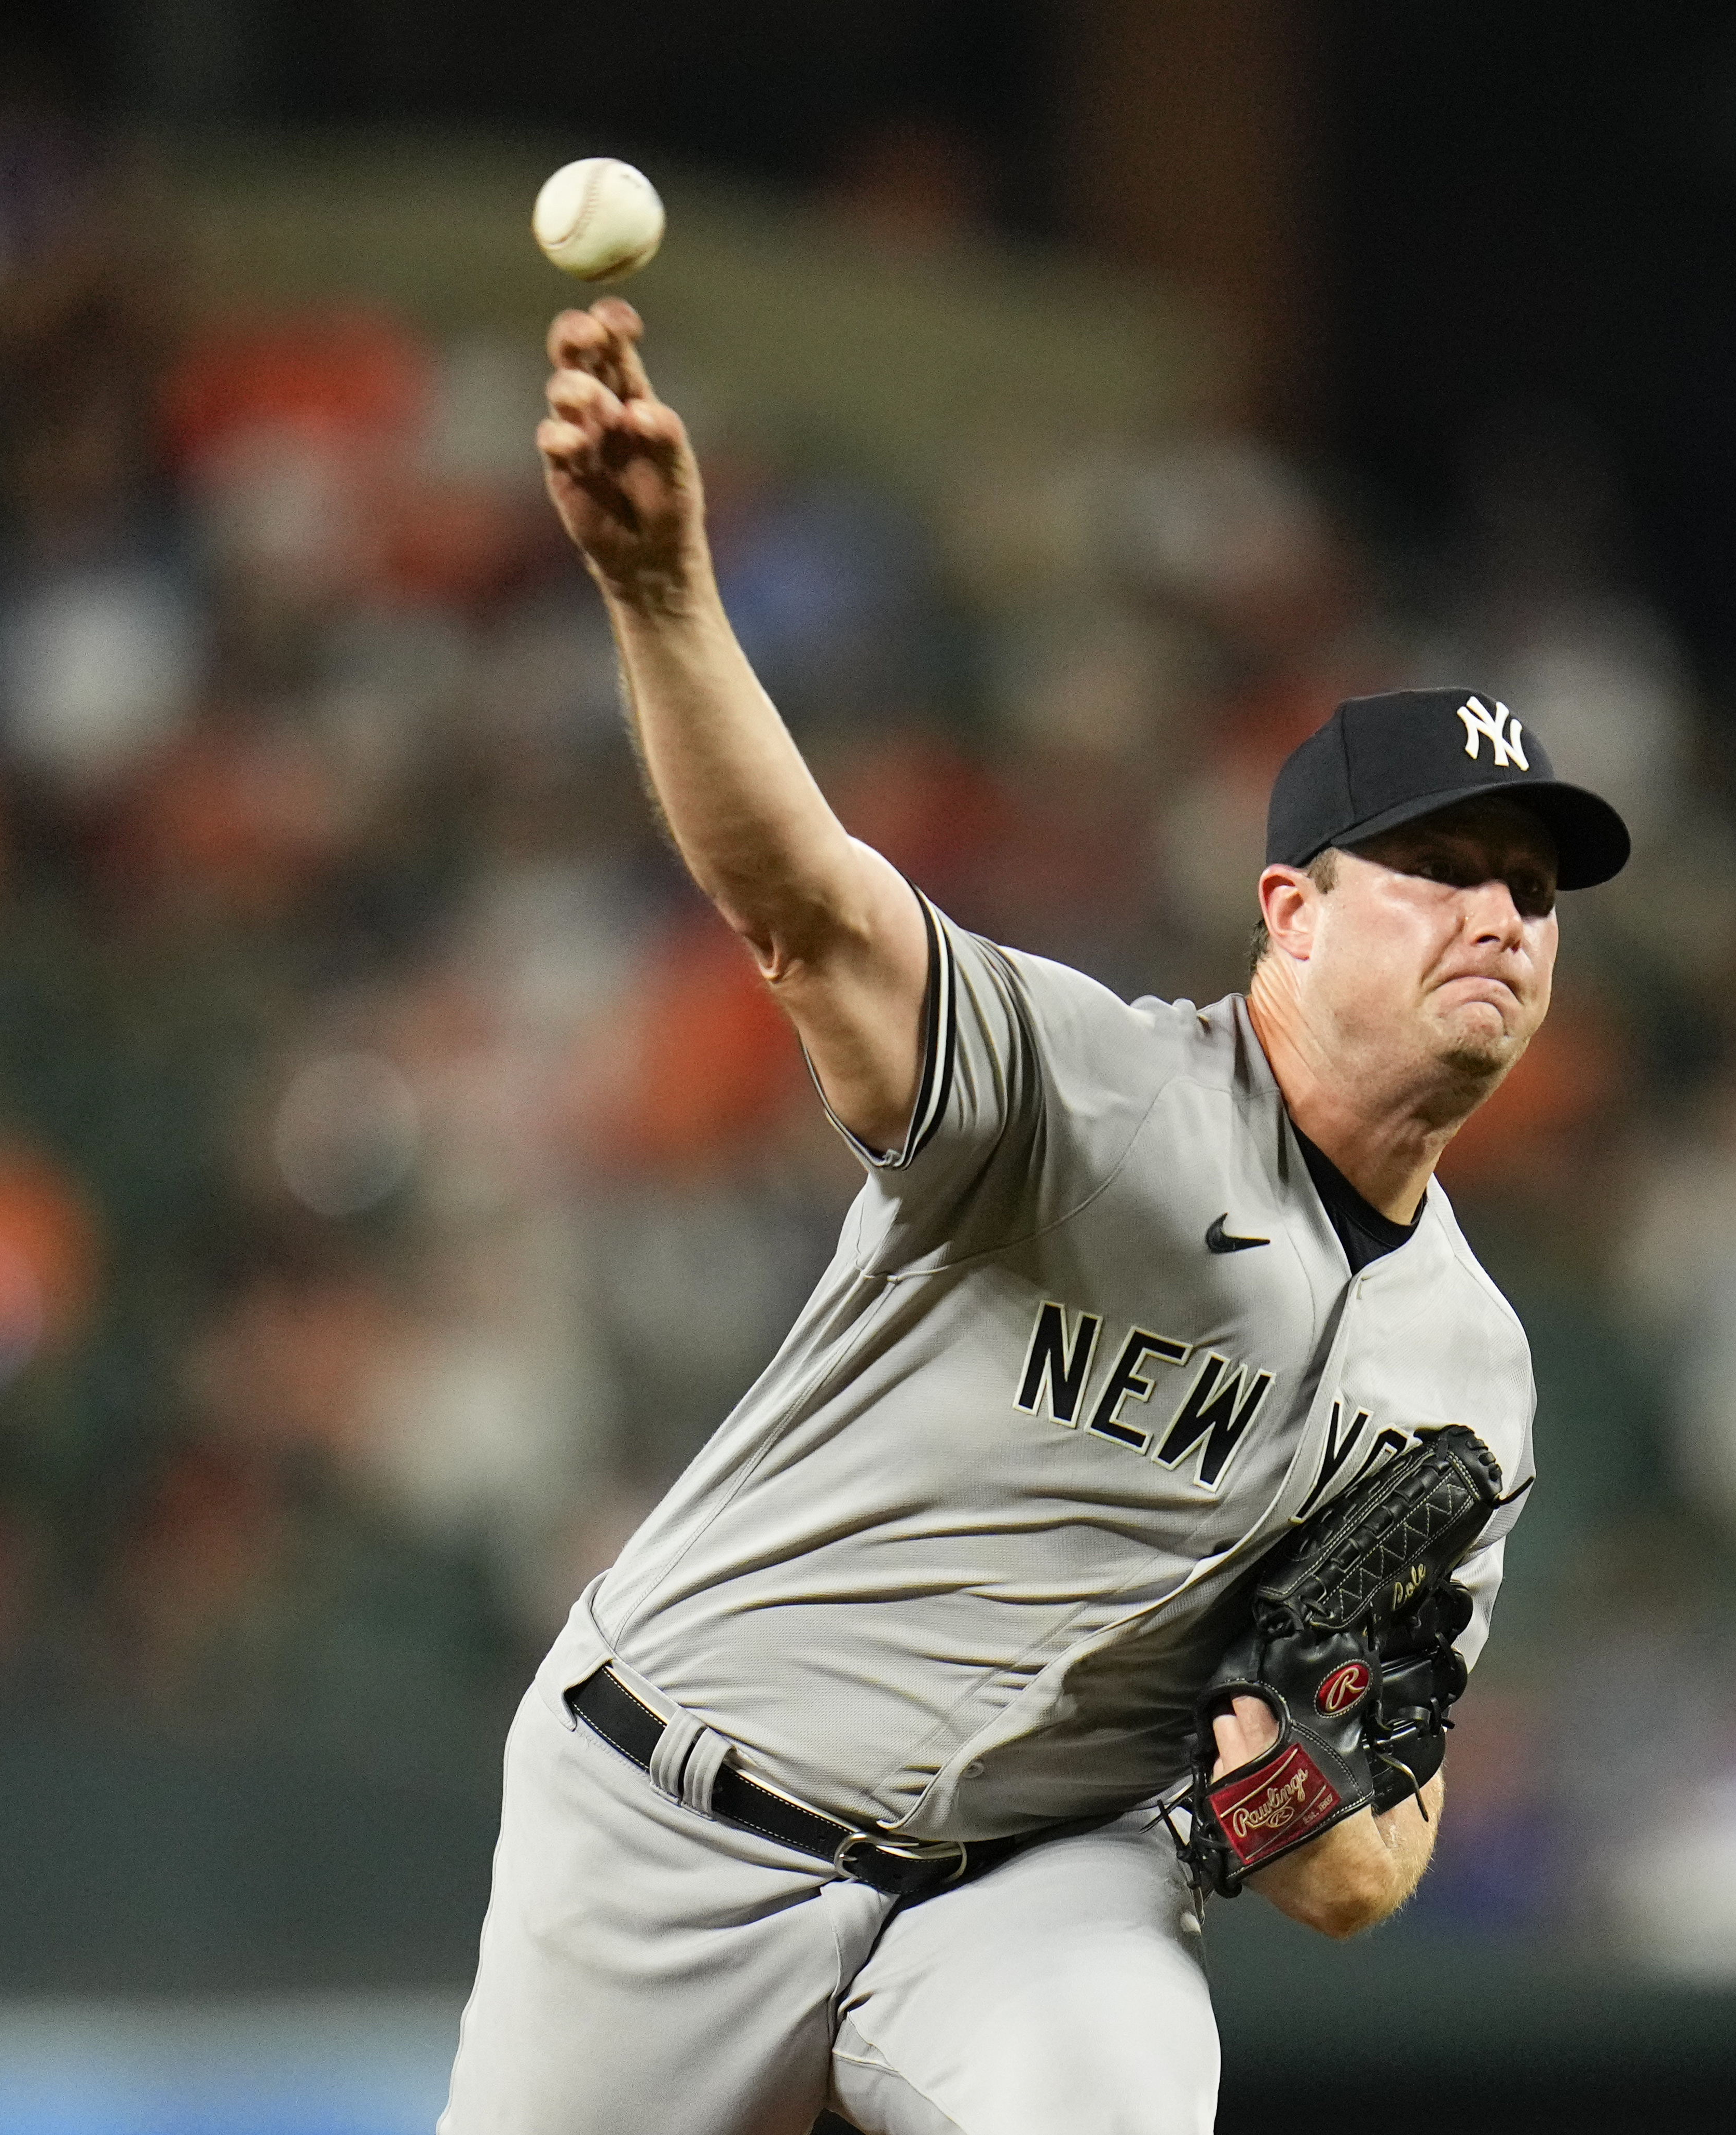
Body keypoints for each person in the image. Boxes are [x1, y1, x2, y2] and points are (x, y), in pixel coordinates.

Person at [436, 298, 1630, 2135]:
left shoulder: (1466, 1369)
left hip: (1031, 1879)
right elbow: (807, 910)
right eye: (1443, 870)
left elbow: (1360, 1862)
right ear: (1289, 915)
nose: (1501, 917)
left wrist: (1296, 1798)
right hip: (676, 1808)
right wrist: (668, 596)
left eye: (1535, 891)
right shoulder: (1092, 1095)